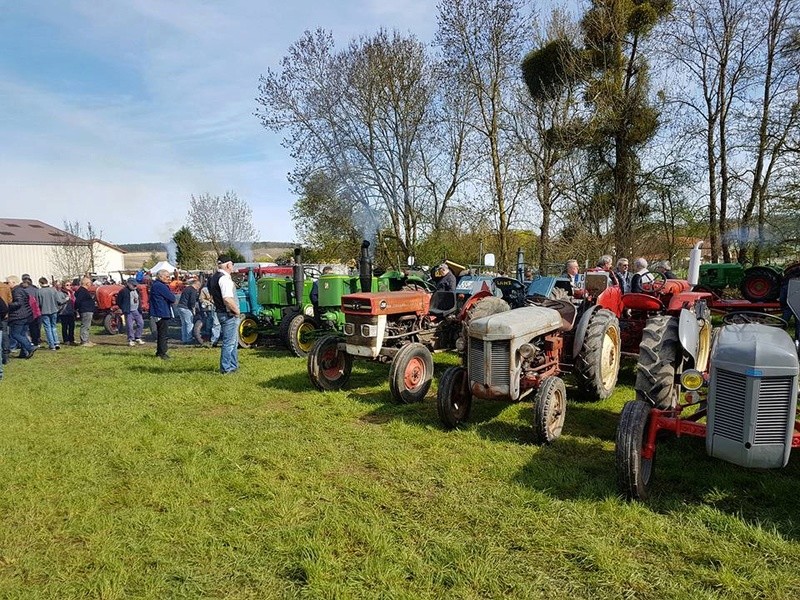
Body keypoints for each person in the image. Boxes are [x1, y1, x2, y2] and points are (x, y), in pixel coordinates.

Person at [208, 254, 241, 374]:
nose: (232, 267)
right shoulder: (224, 279)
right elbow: (227, 299)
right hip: (229, 314)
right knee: (229, 342)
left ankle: (233, 365)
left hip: (220, 312)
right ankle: (226, 368)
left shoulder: (214, 277)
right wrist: (237, 311)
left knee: (233, 341)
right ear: (228, 265)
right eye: (232, 265)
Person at [6, 275, 36, 359]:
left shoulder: (16, 291)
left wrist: (7, 305)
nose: (7, 284)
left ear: (13, 282)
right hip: (26, 314)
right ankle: (24, 353)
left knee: (15, 334)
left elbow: (19, 303)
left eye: (8, 282)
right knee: (22, 334)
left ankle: (30, 347)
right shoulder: (21, 290)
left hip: (19, 316)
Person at [150, 269, 176, 360]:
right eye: (167, 276)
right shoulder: (160, 286)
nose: (169, 278)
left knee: (161, 333)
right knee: (163, 334)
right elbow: (172, 298)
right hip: (162, 312)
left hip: (159, 311)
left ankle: (159, 352)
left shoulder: (156, 285)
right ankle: (163, 353)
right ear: (161, 276)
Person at [36, 277, 66, 350]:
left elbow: (38, 303)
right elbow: (59, 301)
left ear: (40, 283)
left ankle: (51, 344)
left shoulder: (39, 292)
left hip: (44, 311)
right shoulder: (53, 290)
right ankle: (56, 342)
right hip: (54, 310)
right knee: (54, 327)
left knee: (48, 328)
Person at [117, 278, 145, 346]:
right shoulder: (123, 291)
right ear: (128, 284)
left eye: (136, 285)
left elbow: (139, 299)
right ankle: (130, 339)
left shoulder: (137, 290)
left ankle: (137, 337)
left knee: (141, 323)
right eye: (133, 285)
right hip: (128, 311)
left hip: (137, 310)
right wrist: (123, 308)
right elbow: (118, 300)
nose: (135, 286)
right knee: (130, 326)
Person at [176, 278, 200, 344]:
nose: (198, 288)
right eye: (199, 286)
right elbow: (192, 301)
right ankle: (189, 339)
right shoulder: (193, 290)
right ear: (197, 285)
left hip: (180, 307)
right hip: (186, 308)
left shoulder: (187, 288)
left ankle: (184, 339)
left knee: (184, 324)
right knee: (189, 323)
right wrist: (194, 309)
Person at [74, 276, 97, 346]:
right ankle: (84, 341)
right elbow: (78, 301)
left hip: (88, 310)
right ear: (87, 283)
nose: (91, 284)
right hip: (85, 310)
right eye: (90, 283)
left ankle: (86, 340)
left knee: (87, 326)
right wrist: (78, 308)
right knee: (85, 326)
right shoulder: (82, 291)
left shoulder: (83, 291)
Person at [21, 274, 42, 347]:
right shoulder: (36, 289)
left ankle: (30, 341)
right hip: (37, 311)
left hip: (28, 311)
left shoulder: (23, 290)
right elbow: (39, 301)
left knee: (28, 327)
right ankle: (37, 340)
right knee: (36, 326)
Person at [198, 282, 220, 347]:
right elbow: (201, 299)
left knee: (216, 323)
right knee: (214, 323)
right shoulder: (204, 290)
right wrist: (209, 302)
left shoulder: (219, 288)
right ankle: (212, 339)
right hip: (211, 307)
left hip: (218, 307)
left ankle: (214, 339)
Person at [57, 280, 77, 346]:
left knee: (72, 326)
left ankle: (71, 339)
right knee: (65, 327)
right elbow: (59, 302)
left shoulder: (72, 293)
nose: (69, 286)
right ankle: (66, 340)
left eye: (70, 285)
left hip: (71, 312)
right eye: (67, 285)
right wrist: (66, 299)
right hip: (64, 312)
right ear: (64, 286)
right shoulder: (60, 293)